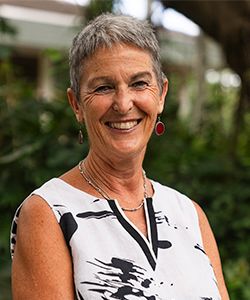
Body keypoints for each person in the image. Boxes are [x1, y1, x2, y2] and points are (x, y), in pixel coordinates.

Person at [10, 13, 229, 300]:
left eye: (139, 84)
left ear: (161, 94)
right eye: (104, 87)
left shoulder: (189, 215)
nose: (124, 105)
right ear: (76, 104)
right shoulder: (48, 214)